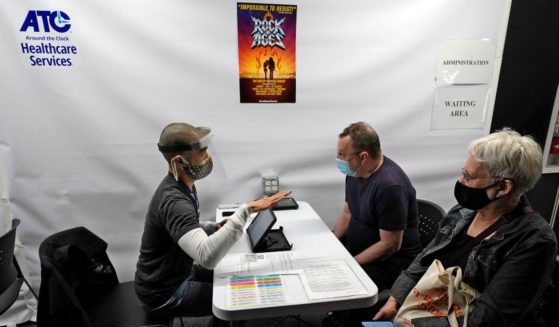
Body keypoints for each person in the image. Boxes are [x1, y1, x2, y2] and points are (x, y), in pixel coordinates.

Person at [374, 128, 558, 327]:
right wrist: (395, 301)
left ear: (504, 187)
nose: (461, 182)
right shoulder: (463, 212)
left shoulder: (534, 240)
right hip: (427, 310)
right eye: (463, 173)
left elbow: (486, 319)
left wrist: (413, 324)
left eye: (468, 177)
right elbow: (425, 259)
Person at [134, 122, 290, 323]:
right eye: (202, 152)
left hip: (176, 274)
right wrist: (246, 210)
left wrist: (209, 227)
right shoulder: (174, 200)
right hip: (162, 293)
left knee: (237, 275)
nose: (207, 157)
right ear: (179, 161)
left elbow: (180, 229)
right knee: (235, 300)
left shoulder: (182, 186)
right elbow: (206, 256)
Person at [327, 122, 421, 326]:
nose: (339, 160)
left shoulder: (389, 186)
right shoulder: (354, 173)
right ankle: (339, 317)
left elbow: (390, 245)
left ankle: (347, 320)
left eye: (342, 155)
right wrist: (331, 242)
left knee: (342, 281)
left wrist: (350, 263)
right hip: (363, 249)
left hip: (391, 262)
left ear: (363, 157)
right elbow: (348, 210)